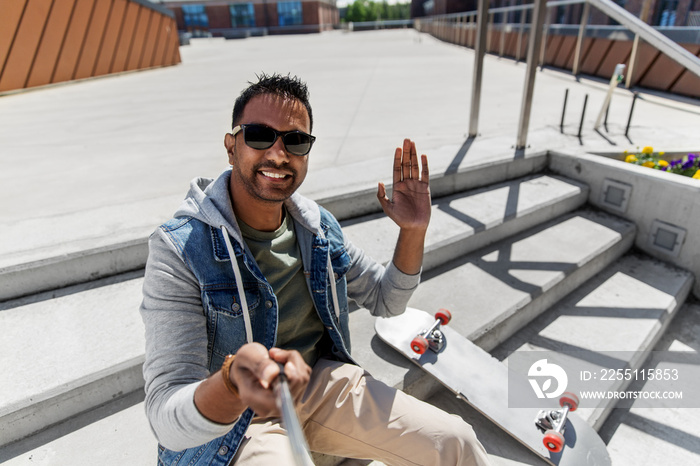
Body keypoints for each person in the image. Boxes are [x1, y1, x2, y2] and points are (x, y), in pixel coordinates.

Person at [140, 73, 491, 465]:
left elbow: (386, 300)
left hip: (318, 387)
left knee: (456, 441)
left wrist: (413, 231)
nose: (277, 154)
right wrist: (233, 380)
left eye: (295, 140)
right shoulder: (181, 248)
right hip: (238, 423)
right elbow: (165, 415)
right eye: (259, 135)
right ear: (230, 146)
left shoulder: (316, 227)